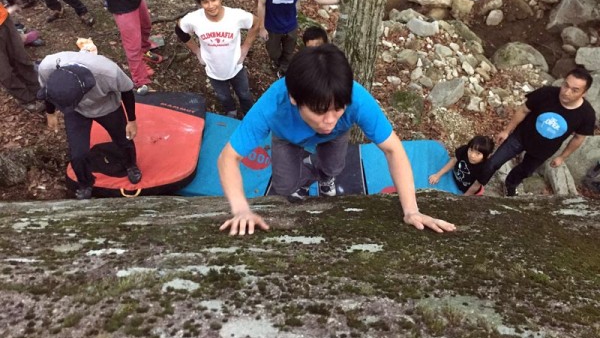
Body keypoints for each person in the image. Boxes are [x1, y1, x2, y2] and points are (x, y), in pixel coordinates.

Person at [217, 44, 456, 236]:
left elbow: (394, 150)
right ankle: (303, 177)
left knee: (333, 168)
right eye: (320, 111)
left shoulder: (356, 98)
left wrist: (412, 211)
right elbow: (228, 157)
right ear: (293, 98)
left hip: (336, 138)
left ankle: (322, 175)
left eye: (338, 109)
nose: (329, 119)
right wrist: (240, 210)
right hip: (286, 137)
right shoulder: (273, 103)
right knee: (285, 186)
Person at [37, 51, 142, 200]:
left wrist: (131, 120)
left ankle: (131, 164)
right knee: (78, 154)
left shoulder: (107, 73)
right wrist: (50, 113)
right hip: (75, 111)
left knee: (123, 140)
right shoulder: (47, 67)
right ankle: (85, 183)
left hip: (106, 107)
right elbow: (48, 92)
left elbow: (126, 90)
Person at [478, 67, 596, 196]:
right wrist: (506, 131)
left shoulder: (587, 114)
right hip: (521, 136)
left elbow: (579, 138)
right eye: (565, 85)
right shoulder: (546, 93)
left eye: (575, 90)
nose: (566, 92)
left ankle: (510, 185)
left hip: (542, 150)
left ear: (584, 92)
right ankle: (477, 186)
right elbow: (523, 110)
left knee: (524, 171)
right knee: (493, 163)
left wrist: (562, 157)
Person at [176, 0, 259, 118]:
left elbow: (256, 23)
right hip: (213, 69)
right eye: (205, 2)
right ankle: (231, 111)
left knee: (244, 94)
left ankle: (249, 114)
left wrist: (245, 47)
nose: (210, 5)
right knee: (223, 96)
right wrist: (196, 51)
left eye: (213, 0)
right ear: (200, 4)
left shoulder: (236, 16)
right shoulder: (194, 19)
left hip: (236, 66)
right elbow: (179, 29)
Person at [0, 0, 43, 112]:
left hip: (3, 22)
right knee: (5, 73)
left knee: (21, 59)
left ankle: (39, 91)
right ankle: (27, 99)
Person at [428, 135, 495, 195]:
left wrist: (463, 198)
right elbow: (453, 161)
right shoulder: (464, 150)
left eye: (478, 153)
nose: (472, 155)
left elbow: (475, 185)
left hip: (466, 190)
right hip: (455, 177)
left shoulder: (486, 169)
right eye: (471, 150)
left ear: (486, 156)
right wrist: (438, 175)